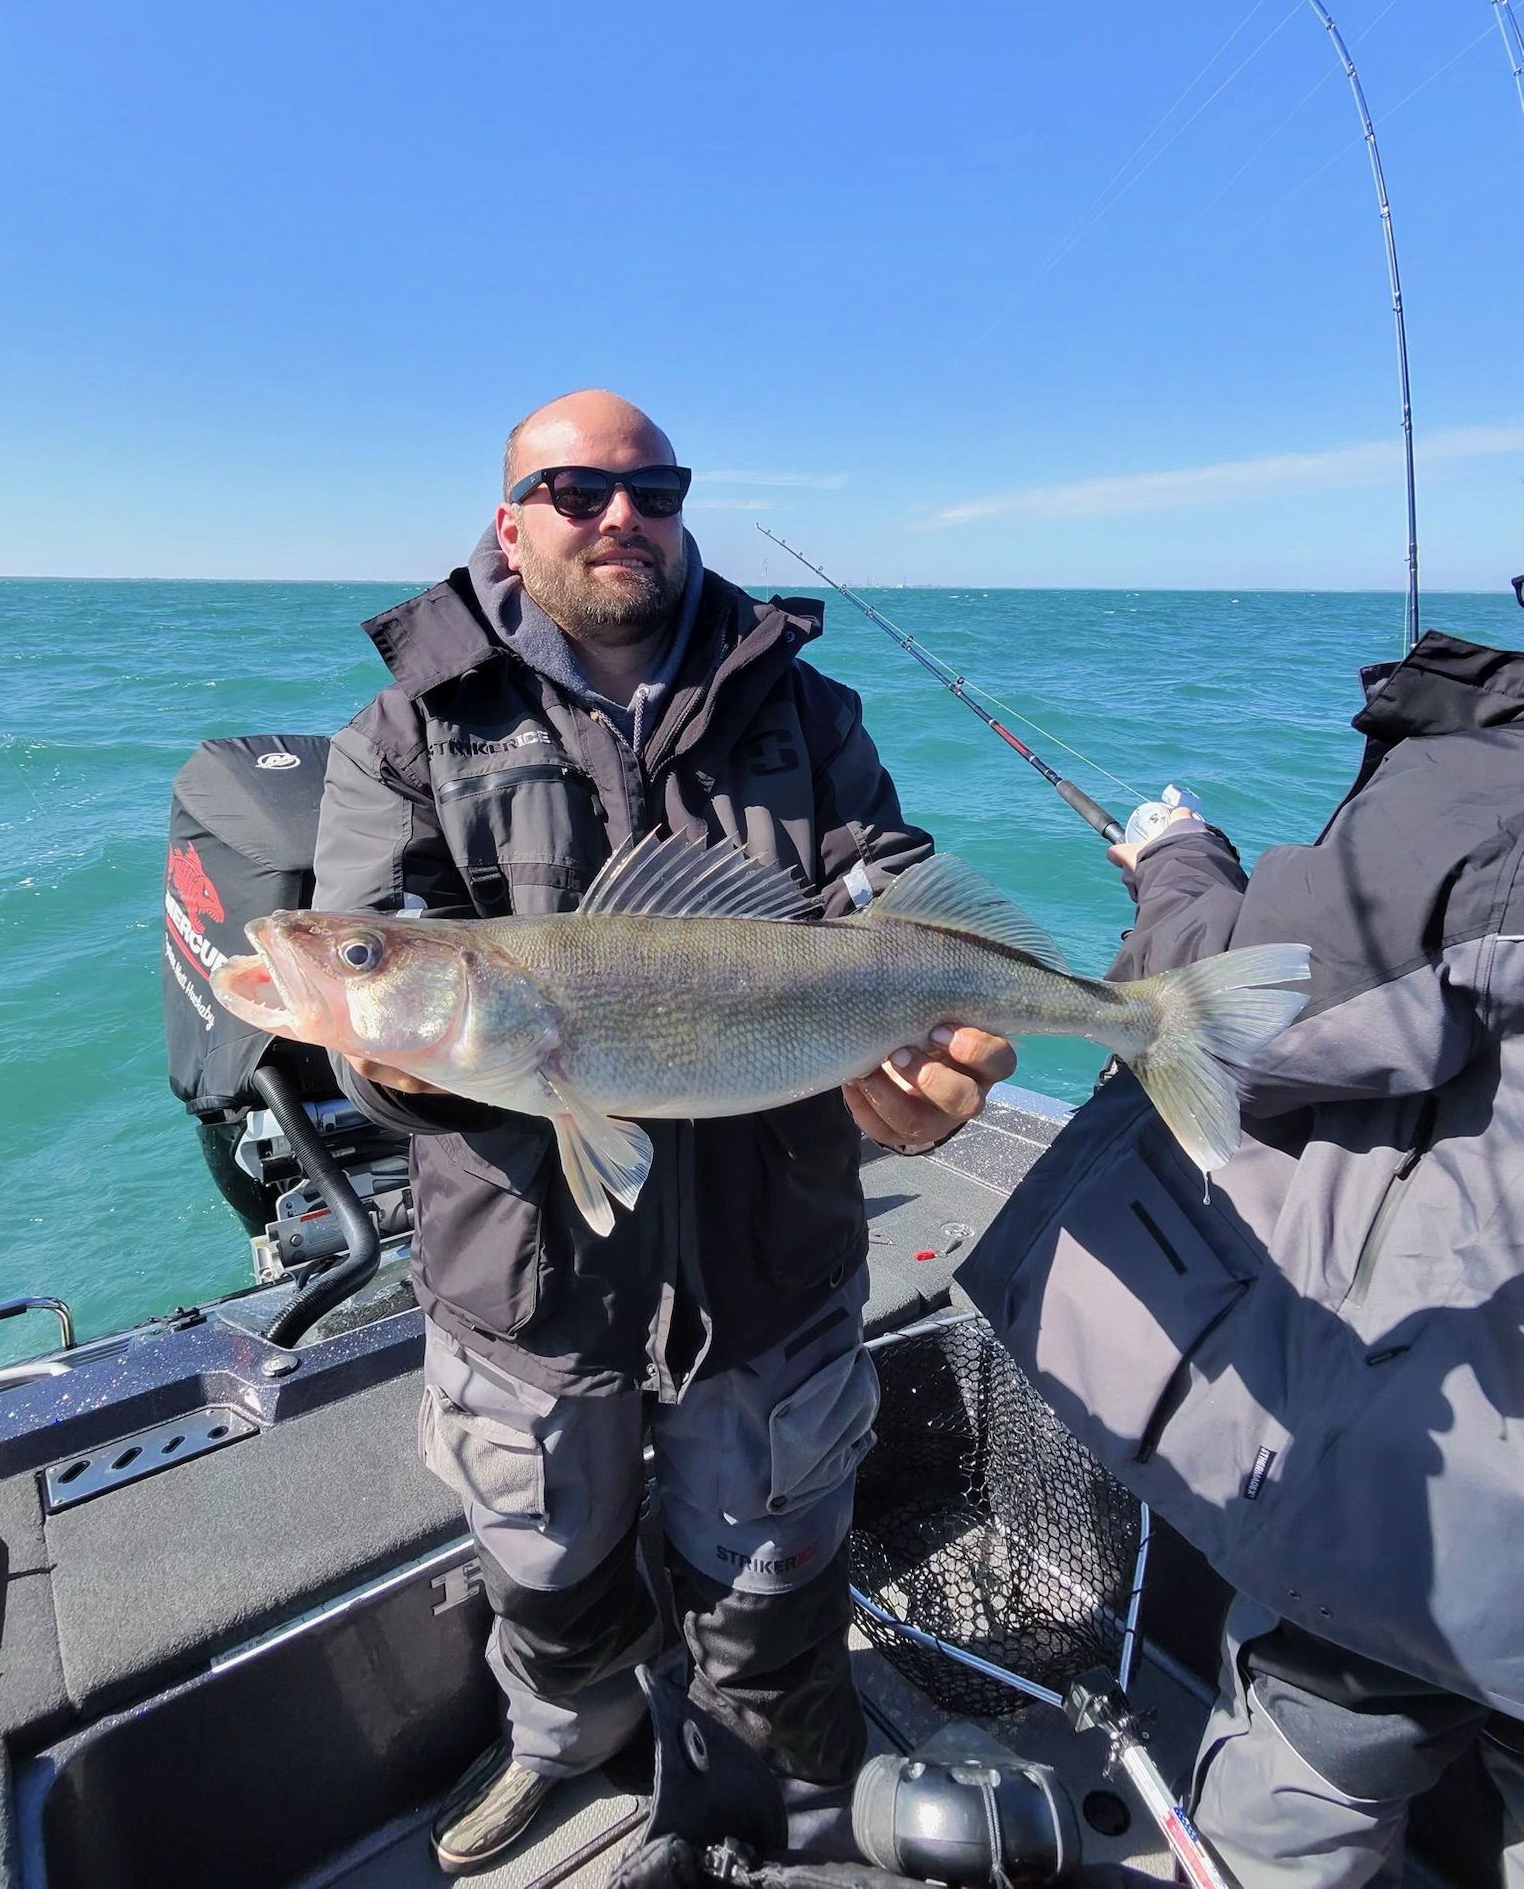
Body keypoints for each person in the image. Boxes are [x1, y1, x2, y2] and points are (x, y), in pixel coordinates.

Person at [304, 389, 1015, 1876]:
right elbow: (380, 1010)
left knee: (770, 1587)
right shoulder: (404, 732)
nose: (619, 514)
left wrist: (957, 1051)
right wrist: (408, 1045)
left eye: (654, 487)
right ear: (511, 524)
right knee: (545, 1581)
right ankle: (566, 1760)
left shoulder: (806, 709)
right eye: (573, 490)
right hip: (528, 1293)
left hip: (776, 1275)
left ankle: (781, 1803)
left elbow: (886, 881)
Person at [959, 628, 1524, 1888]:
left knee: (1301, 1788)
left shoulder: (1480, 783)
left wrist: (1174, 863)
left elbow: (1238, 1012)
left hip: (1457, 1508)